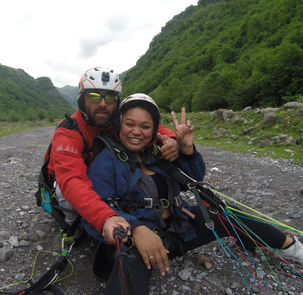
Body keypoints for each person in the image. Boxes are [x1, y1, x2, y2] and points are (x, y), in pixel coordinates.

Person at [83, 93, 303, 295]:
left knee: (226, 213)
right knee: (127, 282)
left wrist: (187, 149)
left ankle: (289, 247)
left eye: (145, 126)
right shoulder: (105, 161)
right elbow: (97, 209)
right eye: (129, 124)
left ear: (154, 129)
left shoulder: (158, 151)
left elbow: (195, 177)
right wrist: (136, 229)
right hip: (137, 241)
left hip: (178, 228)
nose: (136, 131)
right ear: (120, 124)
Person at [47, 67, 179, 238]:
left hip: (100, 177)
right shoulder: (68, 133)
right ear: (81, 100)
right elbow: (72, 181)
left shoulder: (113, 121)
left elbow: (146, 126)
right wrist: (105, 217)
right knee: (69, 197)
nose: (103, 103)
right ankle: (73, 225)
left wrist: (171, 138)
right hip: (70, 182)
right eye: (94, 96)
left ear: (117, 102)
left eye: (109, 97)